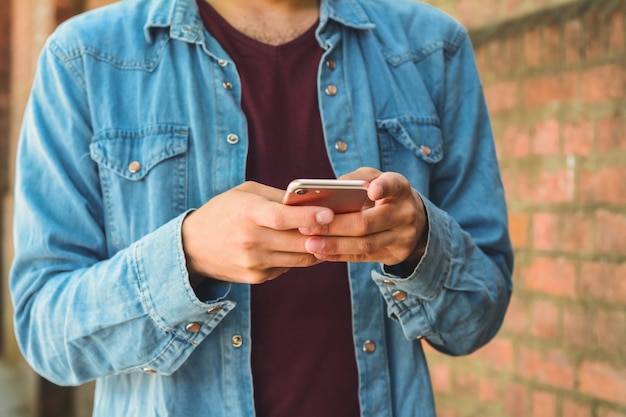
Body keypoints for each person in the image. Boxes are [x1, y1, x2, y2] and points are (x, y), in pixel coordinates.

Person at [10, 0, 513, 415]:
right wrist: (186, 256)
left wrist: (420, 244)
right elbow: (47, 333)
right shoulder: (84, 59)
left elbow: (477, 318)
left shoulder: (432, 48)